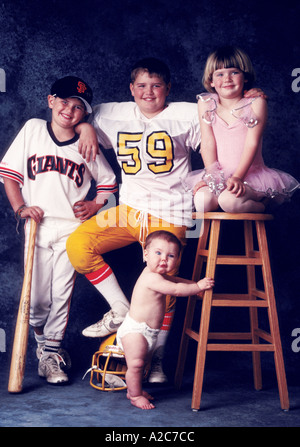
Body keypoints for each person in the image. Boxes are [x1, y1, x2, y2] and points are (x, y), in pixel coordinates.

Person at [66, 57, 264, 383]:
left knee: (165, 285)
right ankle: (120, 309)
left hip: (169, 211)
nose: (148, 92)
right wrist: (86, 126)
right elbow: (79, 113)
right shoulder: (109, 113)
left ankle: (156, 357)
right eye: (141, 85)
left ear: (168, 89)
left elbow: (224, 138)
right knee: (78, 244)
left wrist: (249, 99)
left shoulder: (189, 113)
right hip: (128, 209)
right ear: (131, 89)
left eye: (156, 85)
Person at [0, 76, 118, 384]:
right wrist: (20, 208)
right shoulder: (33, 130)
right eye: (64, 101)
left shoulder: (86, 143)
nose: (69, 110)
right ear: (51, 100)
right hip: (37, 226)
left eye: (78, 107)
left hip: (72, 230)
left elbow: (108, 182)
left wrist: (95, 205)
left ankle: (51, 354)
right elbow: (10, 175)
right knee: (37, 300)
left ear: (85, 114)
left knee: (61, 295)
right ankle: (44, 345)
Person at [185, 46, 299, 212]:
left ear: (245, 77)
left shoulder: (256, 102)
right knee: (202, 201)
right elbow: (207, 142)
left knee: (229, 202)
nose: (227, 79)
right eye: (220, 74)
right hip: (219, 174)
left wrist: (238, 177)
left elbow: (252, 143)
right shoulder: (206, 103)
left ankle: (261, 205)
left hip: (248, 175)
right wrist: (212, 176)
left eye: (234, 72)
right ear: (211, 81)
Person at [116, 230, 214, 410]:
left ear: (176, 259)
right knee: (136, 364)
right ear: (145, 254)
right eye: (158, 253)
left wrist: (193, 285)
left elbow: (176, 280)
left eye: (171, 256)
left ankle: (133, 389)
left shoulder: (160, 276)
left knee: (141, 363)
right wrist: (198, 286)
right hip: (135, 330)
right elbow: (175, 289)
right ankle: (135, 395)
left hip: (148, 332)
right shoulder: (151, 278)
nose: (164, 259)